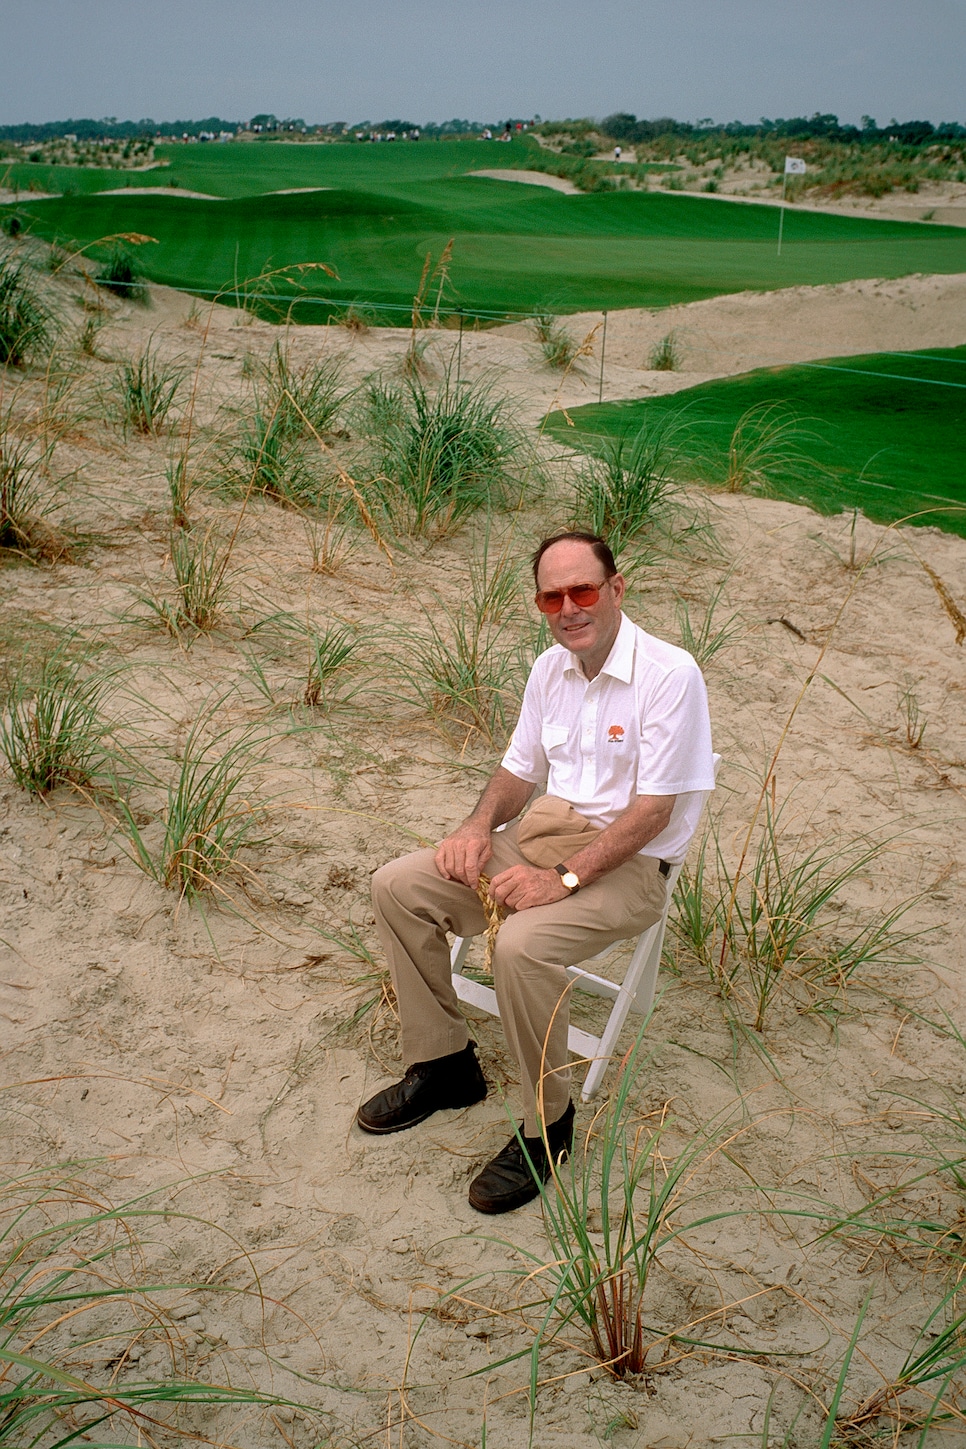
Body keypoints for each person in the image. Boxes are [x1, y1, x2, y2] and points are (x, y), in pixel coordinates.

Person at [356, 532, 715, 1213]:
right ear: (540, 603)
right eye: (553, 596)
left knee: (520, 946)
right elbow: (518, 769)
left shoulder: (671, 675)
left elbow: (653, 811)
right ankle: (445, 1063)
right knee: (397, 885)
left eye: (583, 589)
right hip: (538, 835)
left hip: (629, 863)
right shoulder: (550, 668)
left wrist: (564, 881)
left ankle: (548, 1124)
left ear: (617, 589)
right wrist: (473, 828)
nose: (569, 607)